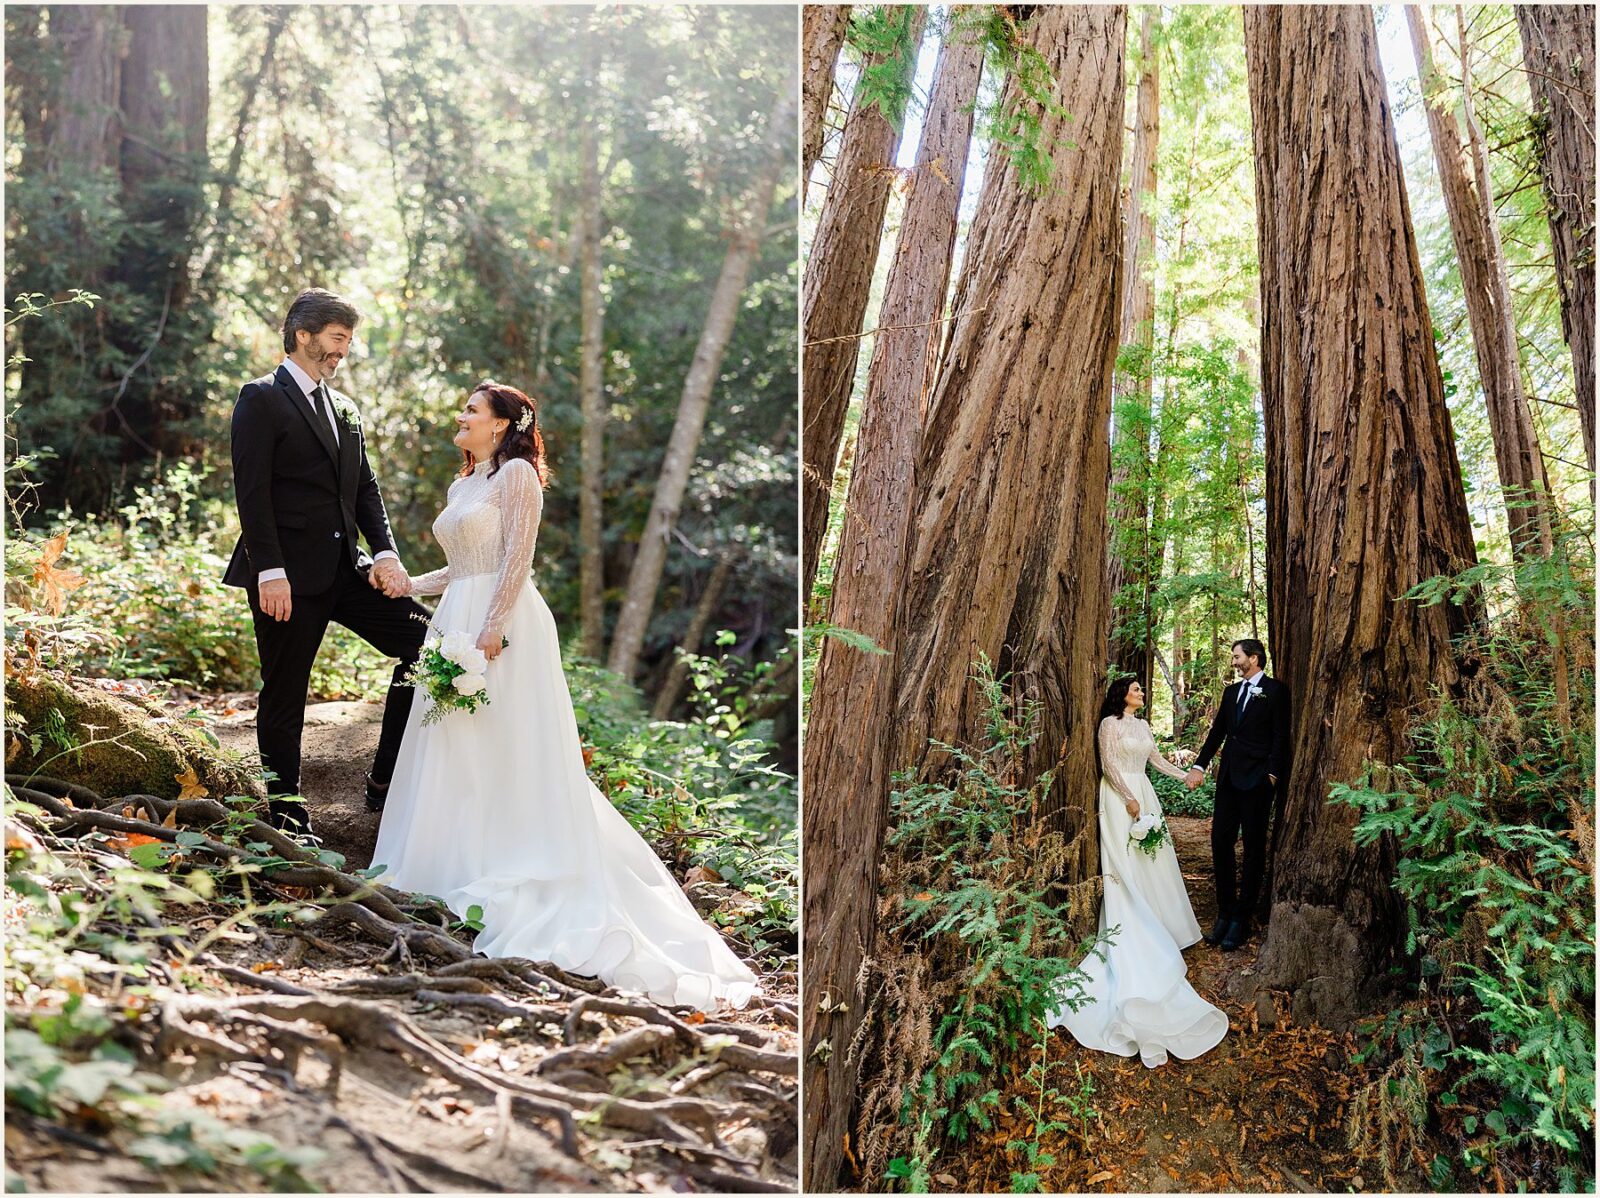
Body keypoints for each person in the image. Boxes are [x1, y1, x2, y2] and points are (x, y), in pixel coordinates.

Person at [369, 381, 759, 1011]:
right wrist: (413, 583)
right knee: (455, 741)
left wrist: (492, 628)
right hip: (456, 618)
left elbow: (515, 559)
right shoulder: (464, 484)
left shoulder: (519, 477)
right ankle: (449, 862)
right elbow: (467, 565)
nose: (461, 417)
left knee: (504, 743)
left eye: (472, 409)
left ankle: (516, 858)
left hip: (503, 624)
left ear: (500, 425)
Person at [224, 289, 426, 834]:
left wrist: (384, 552)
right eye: (337, 340)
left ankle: (385, 780)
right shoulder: (259, 398)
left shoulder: (345, 408)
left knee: (429, 647)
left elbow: (365, 488)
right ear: (303, 334)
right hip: (285, 577)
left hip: (348, 570)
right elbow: (253, 492)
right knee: (286, 690)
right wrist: (269, 571)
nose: (342, 353)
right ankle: (286, 813)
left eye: (347, 344)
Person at [1048, 677, 1228, 1067]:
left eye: (1142, 690)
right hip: (1118, 797)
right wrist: (1127, 798)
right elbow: (1108, 762)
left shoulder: (1143, 727)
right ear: (1121, 694)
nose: (1141, 693)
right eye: (1135, 689)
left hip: (1144, 792)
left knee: (1153, 858)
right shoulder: (1109, 724)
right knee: (1125, 860)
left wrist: (1188, 777)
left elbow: (1156, 761)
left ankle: (1161, 922)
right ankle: (1129, 916)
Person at [1185, 637, 1290, 952]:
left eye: (1236, 656)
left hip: (1257, 781)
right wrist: (1199, 766)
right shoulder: (1231, 693)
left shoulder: (1276, 691)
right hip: (1229, 778)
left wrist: (1271, 775)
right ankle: (1224, 911)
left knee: (1255, 847)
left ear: (1254, 659)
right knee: (1220, 840)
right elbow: (1218, 732)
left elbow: (1280, 735)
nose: (1233, 661)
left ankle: (1241, 919)